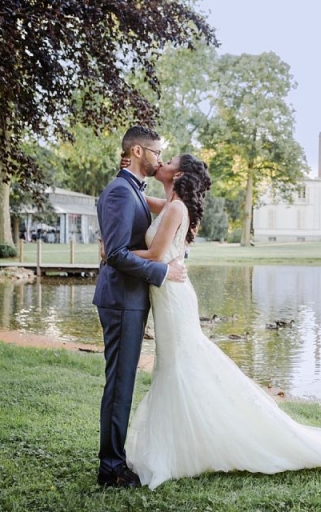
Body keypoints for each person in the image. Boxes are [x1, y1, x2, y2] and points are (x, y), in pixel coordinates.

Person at [124, 153, 321, 490]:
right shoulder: (171, 205)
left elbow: (153, 256)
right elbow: (142, 202)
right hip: (170, 296)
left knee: (180, 368)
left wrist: (114, 254)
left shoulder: (177, 209)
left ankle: (180, 450)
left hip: (174, 299)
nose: (160, 162)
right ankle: (181, 444)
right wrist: (126, 178)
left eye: (167, 160)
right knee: (176, 368)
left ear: (177, 174)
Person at [93, 126, 188, 488]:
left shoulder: (132, 190)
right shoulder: (120, 192)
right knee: (119, 384)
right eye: (156, 152)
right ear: (136, 151)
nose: (160, 158)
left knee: (123, 382)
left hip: (130, 299)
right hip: (120, 301)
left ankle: (113, 461)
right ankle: (111, 469)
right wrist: (162, 271)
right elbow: (116, 255)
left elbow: (174, 212)